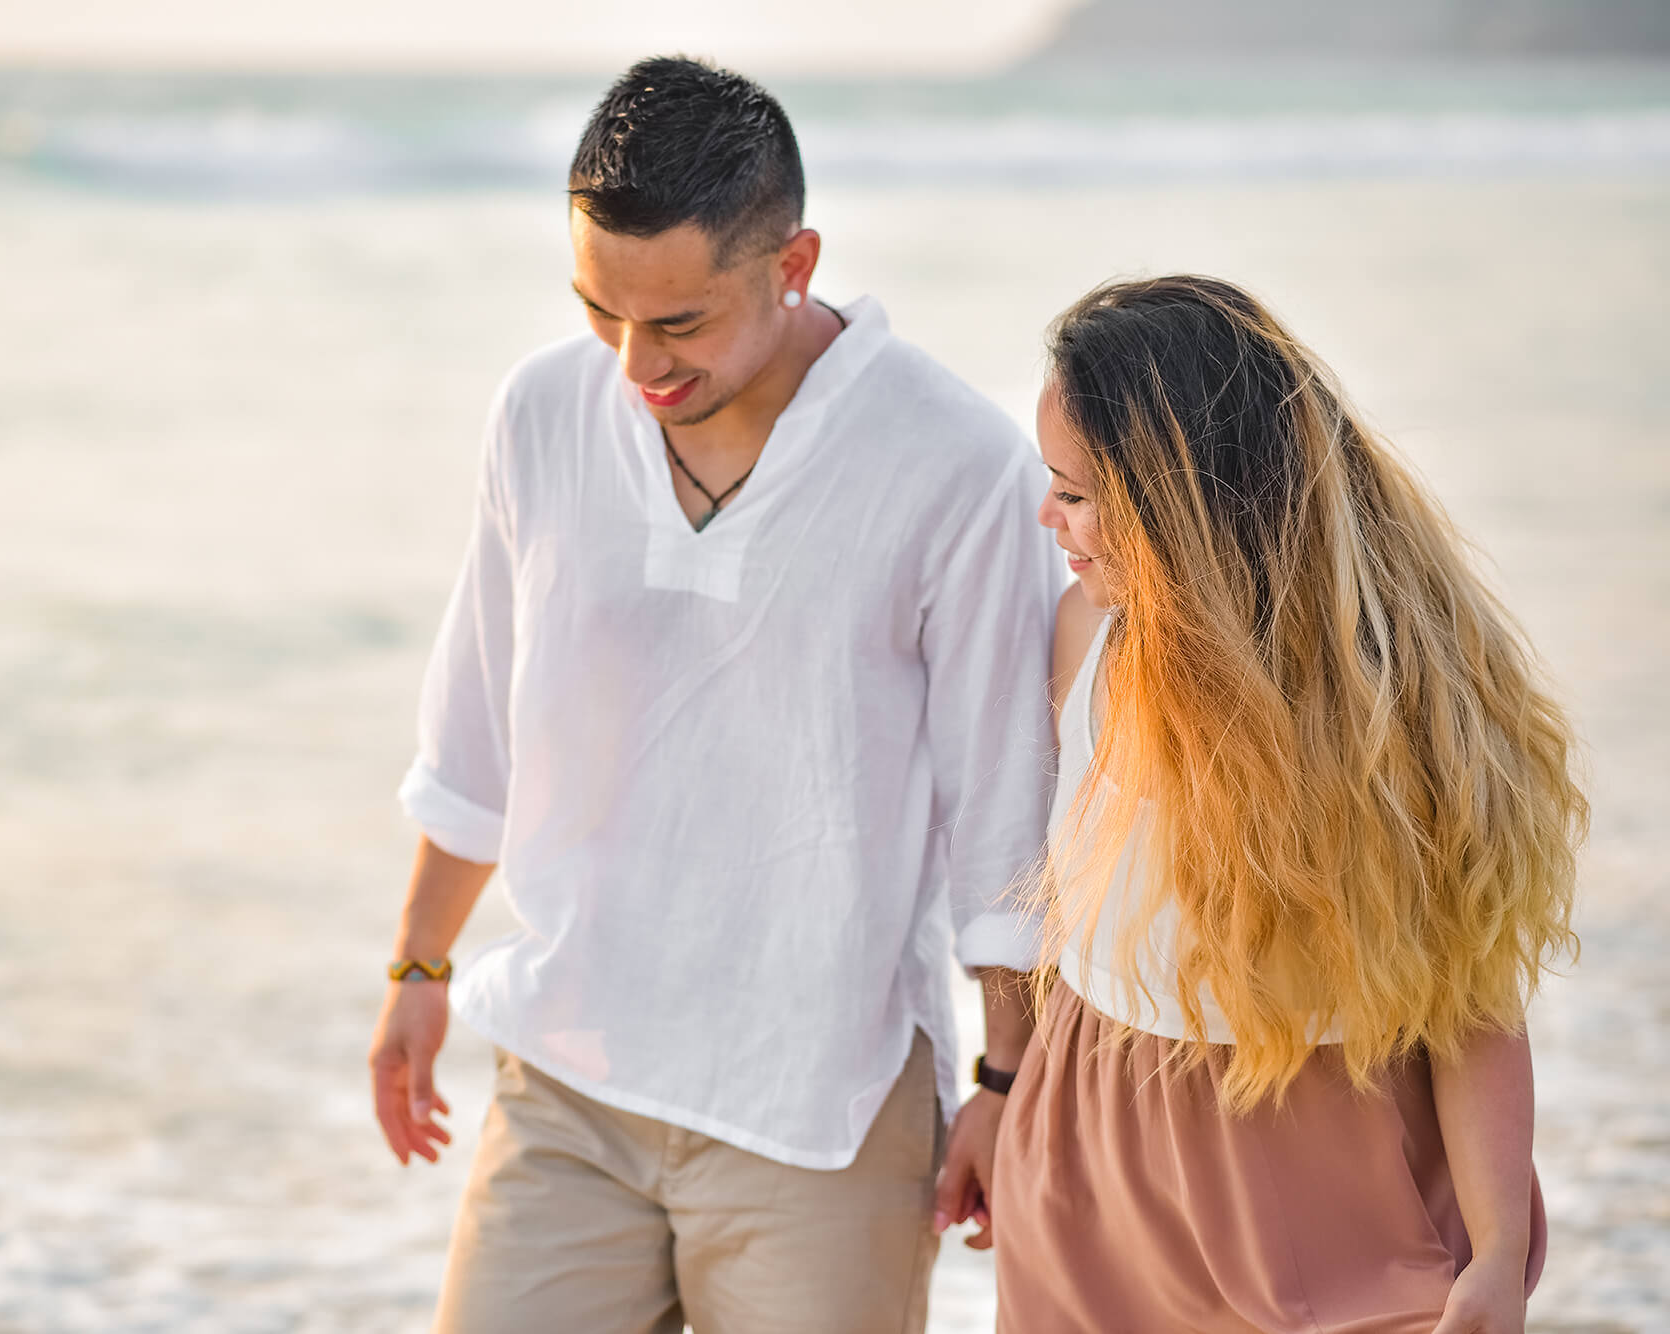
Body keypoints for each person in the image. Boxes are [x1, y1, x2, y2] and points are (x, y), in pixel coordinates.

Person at [366, 55, 1063, 1334]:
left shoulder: (954, 464)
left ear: (792, 265)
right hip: (570, 1079)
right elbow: (476, 721)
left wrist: (1001, 1078)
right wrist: (418, 963)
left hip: (819, 1107)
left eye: (678, 323)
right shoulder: (539, 413)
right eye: (598, 310)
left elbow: (999, 808)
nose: (634, 363)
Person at [996, 274, 1587, 1333]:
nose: (1048, 516)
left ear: (1185, 507)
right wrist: (1002, 1091)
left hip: (1332, 1170)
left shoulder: (1390, 715)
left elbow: (1468, 996)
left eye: (1077, 493)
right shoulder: (1086, 638)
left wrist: (1495, 1248)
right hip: (1090, 1155)